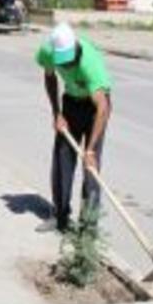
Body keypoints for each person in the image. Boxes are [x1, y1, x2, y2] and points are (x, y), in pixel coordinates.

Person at [35, 23, 112, 232]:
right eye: (63, 62)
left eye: (70, 61)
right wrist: (56, 113)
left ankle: (88, 228)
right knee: (62, 162)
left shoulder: (90, 63)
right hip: (70, 103)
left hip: (94, 109)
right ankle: (60, 217)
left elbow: (103, 109)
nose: (67, 67)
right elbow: (49, 77)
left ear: (76, 49)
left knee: (91, 169)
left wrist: (89, 150)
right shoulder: (47, 51)